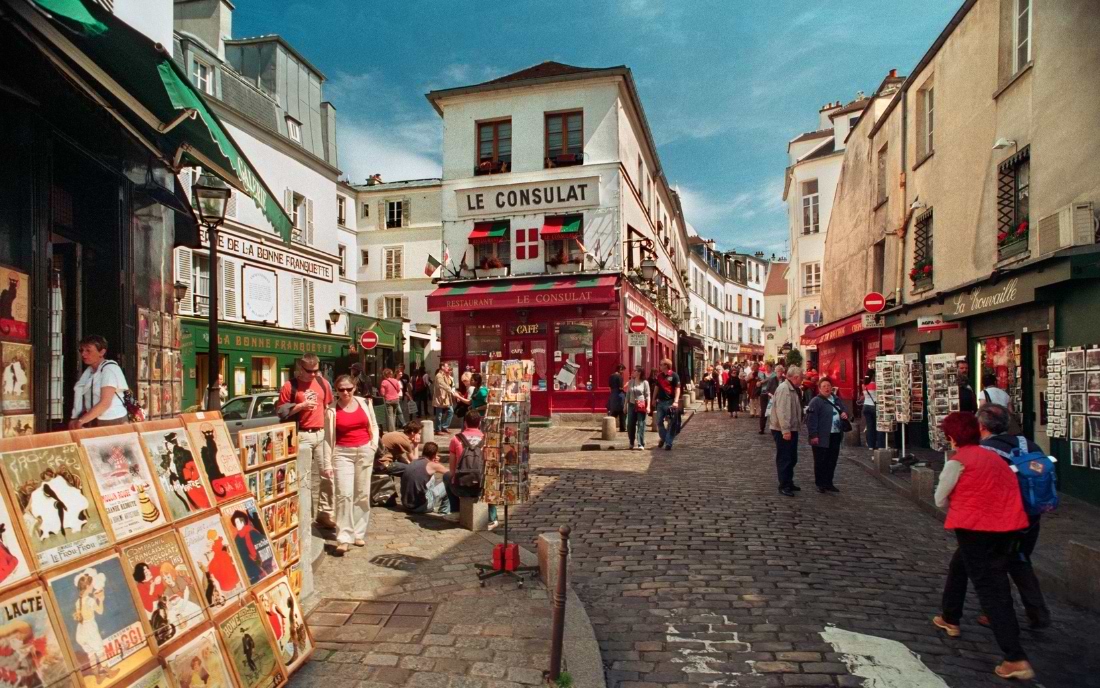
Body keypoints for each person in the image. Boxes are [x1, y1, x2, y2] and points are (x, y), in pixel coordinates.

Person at [933, 411, 1034, 681]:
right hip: (1008, 528)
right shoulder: (994, 457)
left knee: (992, 589)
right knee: (959, 565)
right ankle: (950, 616)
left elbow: (940, 499)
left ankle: (1014, 656)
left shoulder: (959, 461)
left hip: (977, 529)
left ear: (952, 437)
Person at [977, 404, 1051, 629]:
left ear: (982, 426)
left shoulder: (986, 451)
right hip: (1032, 514)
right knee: (1019, 559)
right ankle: (1038, 612)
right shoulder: (1026, 443)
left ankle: (997, 613)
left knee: (996, 564)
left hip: (1004, 516)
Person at [279, 354, 335, 530]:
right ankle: (306, 516)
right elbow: (281, 412)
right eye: (309, 371)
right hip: (302, 434)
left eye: (316, 370)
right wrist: (301, 407)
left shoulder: (322, 383)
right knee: (304, 477)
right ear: (300, 369)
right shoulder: (290, 386)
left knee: (327, 475)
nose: (313, 374)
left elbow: (329, 406)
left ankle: (324, 514)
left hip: (321, 433)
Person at [325, 374, 379, 555]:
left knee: (362, 494)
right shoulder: (331, 410)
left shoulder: (365, 403)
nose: (346, 392)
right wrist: (327, 463)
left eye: (349, 388)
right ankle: (344, 537)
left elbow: (373, 424)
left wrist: (373, 446)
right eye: (341, 389)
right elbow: (327, 439)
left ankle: (358, 532)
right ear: (336, 390)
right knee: (343, 494)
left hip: (364, 450)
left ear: (355, 388)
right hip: (342, 453)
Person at [444, 411, 498, 529]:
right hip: (481, 487)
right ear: (479, 423)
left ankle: (456, 511)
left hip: (462, 486)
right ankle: (492, 517)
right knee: (491, 477)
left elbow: (452, 469)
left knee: (446, 476)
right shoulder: (487, 439)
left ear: (465, 423)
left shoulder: (455, 439)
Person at [69, 335, 130, 428]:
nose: (83, 354)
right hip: (94, 419)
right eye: (81, 350)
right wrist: (77, 418)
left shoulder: (109, 369)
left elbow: (105, 402)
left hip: (112, 420)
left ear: (102, 352)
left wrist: (81, 421)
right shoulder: (89, 372)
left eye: (88, 351)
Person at [805, 377, 848, 493]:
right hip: (822, 435)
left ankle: (829, 482)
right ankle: (820, 483)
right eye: (824, 386)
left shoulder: (836, 399)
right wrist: (813, 435)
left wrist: (844, 413)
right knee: (820, 461)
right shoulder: (816, 401)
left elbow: (844, 409)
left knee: (832, 460)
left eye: (828, 386)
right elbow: (811, 420)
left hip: (835, 434)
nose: (827, 388)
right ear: (819, 389)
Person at [769, 365, 803, 496]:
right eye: (801, 378)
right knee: (785, 457)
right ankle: (784, 485)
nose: (802, 380)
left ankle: (788, 481)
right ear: (795, 377)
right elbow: (782, 412)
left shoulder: (792, 389)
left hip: (791, 428)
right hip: (783, 429)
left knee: (792, 457)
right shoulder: (784, 389)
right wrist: (785, 430)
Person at [401, 442, 450, 514]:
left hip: (406, 505)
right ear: (434, 455)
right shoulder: (432, 466)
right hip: (420, 507)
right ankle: (444, 512)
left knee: (429, 476)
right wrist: (436, 464)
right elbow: (450, 474)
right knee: (448, 482)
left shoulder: (414, 462)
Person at [653, 359, 681, 451]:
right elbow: (656, 388)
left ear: (666, 365)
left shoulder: (674, 375)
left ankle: (668, 443)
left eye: (661, 365)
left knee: (671, 423)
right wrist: (653, 398)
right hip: (660, 402)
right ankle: (665, 438)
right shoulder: (660, 376)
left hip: (670, 402)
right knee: (659, 422)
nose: (659, 366)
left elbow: (677, 389)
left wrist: (676, 401)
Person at [433, 364, 466, 433]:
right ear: (442, 367)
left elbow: (451, 386)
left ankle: (444, 426)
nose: (448, 368)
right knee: (439, 414)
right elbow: (442, 384)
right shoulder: (439, 375)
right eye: (447, 366)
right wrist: (451, 391)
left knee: (450, 411)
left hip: (446, 398)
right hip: (440, 397)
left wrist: (455, 393)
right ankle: (437, 429)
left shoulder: (446, 376)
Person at [624, 366, 651, 450]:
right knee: (630, 424)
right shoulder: (631, 382)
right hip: (632, 405)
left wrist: (648, 406)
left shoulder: (645, 382)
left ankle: (640, 443)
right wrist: (625, 406)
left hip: (641, 404)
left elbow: (648, 395)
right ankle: (631, 441)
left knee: (641, 424)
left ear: (639, 372)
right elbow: (627, 395)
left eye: (635, 370)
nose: (633, 372)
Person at [760, 364, 785, 435]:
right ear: (776, 372)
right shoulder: (772, 380)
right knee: (766, 413)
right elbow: (767, 390)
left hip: (781, 399)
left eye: (781, 371)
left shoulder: (785, 380)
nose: (780, 373)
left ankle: (777, 428)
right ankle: (762, 428)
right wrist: (771, 395)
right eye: (778, 371)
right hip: (771, 398)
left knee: (779, 414)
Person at [379, 368, 405, 433]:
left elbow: (382, 393)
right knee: (394, 414)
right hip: (396, 399)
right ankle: (393, 429)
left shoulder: (384, 382)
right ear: (391, 374)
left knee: (390, 416)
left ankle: (392, 431)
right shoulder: (395, 381)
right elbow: (398, 390)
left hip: (388, 400)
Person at [860, 370, 879, 451]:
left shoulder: (863, 385)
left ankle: (870, 445)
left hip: (865, 406)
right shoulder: (875, 385)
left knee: (869, 427)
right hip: (873, 406)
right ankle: (877, 444)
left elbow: (864, 395)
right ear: (873, 376)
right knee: (876, 427)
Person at [607, 365, 627, 432]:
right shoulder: (619, 377)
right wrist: (626, 385)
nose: (623, 372)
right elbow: (621, 387)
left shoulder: (611, 376)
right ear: (620, 369)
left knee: (614, 410)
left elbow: (609, 387)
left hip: (613, 394)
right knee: (622, 411)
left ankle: (609, 425)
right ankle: (622, 427)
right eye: (623, 370)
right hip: (619, 395)